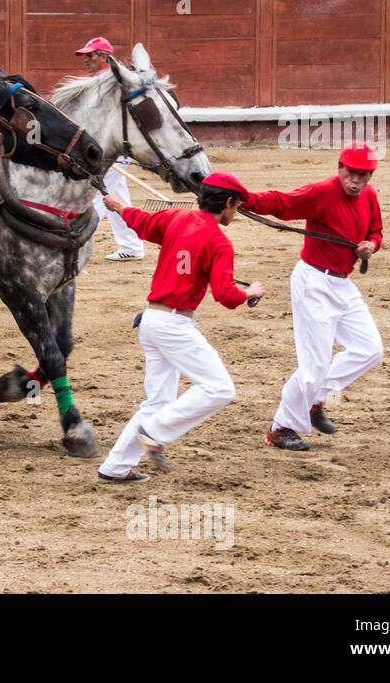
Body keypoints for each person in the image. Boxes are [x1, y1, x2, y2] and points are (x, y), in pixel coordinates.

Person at [96, 173, 264, 482]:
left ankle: (115, 467)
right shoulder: (219, 242)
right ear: (227, 203)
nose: (236, 211)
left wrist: (119, 206)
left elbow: (142, 223)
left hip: (151, 320)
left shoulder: (177, 217)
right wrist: (249, 293)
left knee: (158, 402)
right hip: (174, 325)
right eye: (236, 205)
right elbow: (225, 296)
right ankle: (155, 432)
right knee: (220, 389)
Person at [242, 143, 384, 452]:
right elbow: (281, 203)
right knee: (313, 367)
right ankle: (280, 428)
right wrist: (243, 198)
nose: (356, 181)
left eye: (364, 175)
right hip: (313, 283)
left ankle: (315, 400)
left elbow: (376, 231)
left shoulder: (368, 196)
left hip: (342, 284)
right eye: (351, 174)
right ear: (339, 168)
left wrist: (371, 245)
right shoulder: (321, 192)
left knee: (370, 349)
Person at [76, 37, 145, 261]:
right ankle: (132, 246)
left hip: (110, 150)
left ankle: (77, 243)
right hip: (106, 149)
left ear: (104, 57)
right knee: (113, 196)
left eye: (90, 55)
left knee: (95, 195)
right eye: (85, 55)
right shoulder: (103, 80)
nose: (86, 60)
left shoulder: (111, 81)